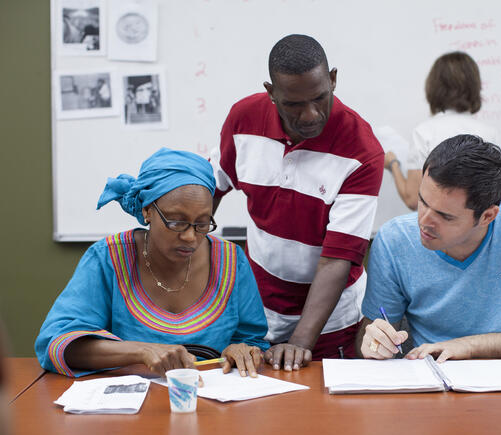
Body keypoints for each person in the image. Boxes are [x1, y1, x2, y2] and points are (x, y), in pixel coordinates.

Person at [211, 34, 384, 370]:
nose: (309, 115)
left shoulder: (361, 150)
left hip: (330, 326)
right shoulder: (243, 119)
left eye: (320, 98)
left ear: (333, 79)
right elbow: (210, 191)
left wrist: (300, 343)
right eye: (293, 104)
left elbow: (338, 259)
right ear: (271, 92)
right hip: (255, 316)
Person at [357, 134, 501, 362]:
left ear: (487, 216)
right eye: (422, 201)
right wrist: (375, 342)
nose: (424, 221)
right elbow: (372, 338)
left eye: (445, 216)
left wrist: (471, 346)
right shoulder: (393, 240)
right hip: (432, 384)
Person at [35, 148, 269, 378]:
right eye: (177, 222)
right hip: (129, 410)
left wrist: (242, 350)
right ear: (147, 210)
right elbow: (56, 343)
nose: (190, 237)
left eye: (202, 223)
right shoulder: (109, 259)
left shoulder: (231, 262)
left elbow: (251, 340)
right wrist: (140, 351)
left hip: (214, 407)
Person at [385, 52, 497, 210]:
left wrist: (393, 165)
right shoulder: (489, 134)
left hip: (439, 230)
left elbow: (412, 199)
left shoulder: (425, 132)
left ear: (434, 87)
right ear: (475, 86)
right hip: (477, 230)